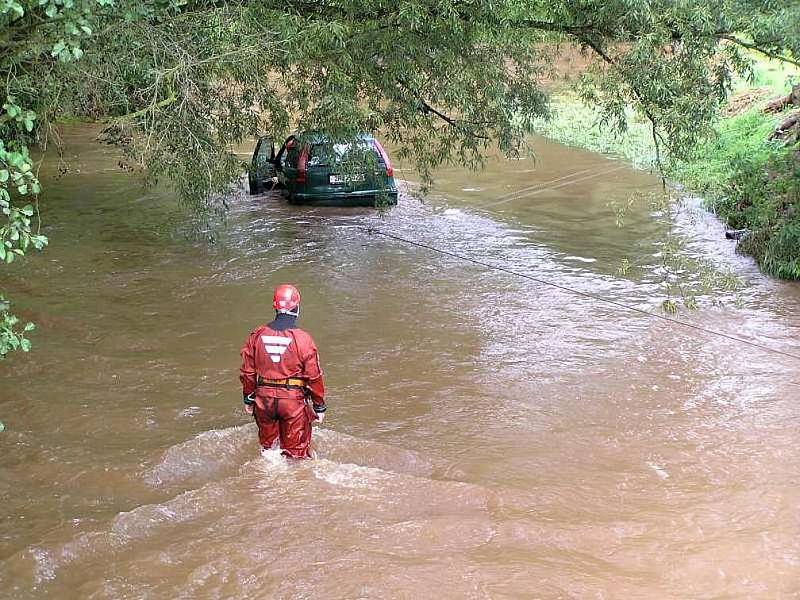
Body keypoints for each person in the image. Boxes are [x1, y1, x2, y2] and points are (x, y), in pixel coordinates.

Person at [239, 284, 326, 458]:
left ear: (275, 307)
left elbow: (247, 372)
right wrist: (319, 406)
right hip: (292, 401)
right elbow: (314, 376)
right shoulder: (303, 339)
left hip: (264, 400)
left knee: (269, 451)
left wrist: (248, 399)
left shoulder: (257, 335)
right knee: (296, 455)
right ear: (297, 307)